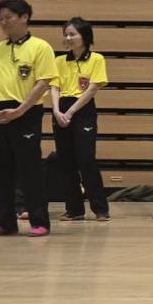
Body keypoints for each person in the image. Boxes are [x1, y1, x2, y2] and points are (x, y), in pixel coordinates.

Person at [0, 0, 58, 237]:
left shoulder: (41, 47)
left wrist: (20, 111)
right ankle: (5, 221)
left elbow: (43, 82)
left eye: (8, 17)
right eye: (0, 18)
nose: (3, 22)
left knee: (29, 168)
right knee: (1, 169)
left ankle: (39, 220)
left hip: (26, 112)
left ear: (24, 17)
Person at [49, 17, 110, 222]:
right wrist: (56, 111)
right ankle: (74, 210)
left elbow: (92, 89)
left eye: (72, 34)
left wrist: (71, 112)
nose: (68, 38)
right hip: (61, 110)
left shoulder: (96, 59)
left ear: (84, 36)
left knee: (86, 159)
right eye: (65, 34)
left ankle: (100, 208)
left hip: (82, 110)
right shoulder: (59, 61)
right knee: (66, 161)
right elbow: (54, 87)